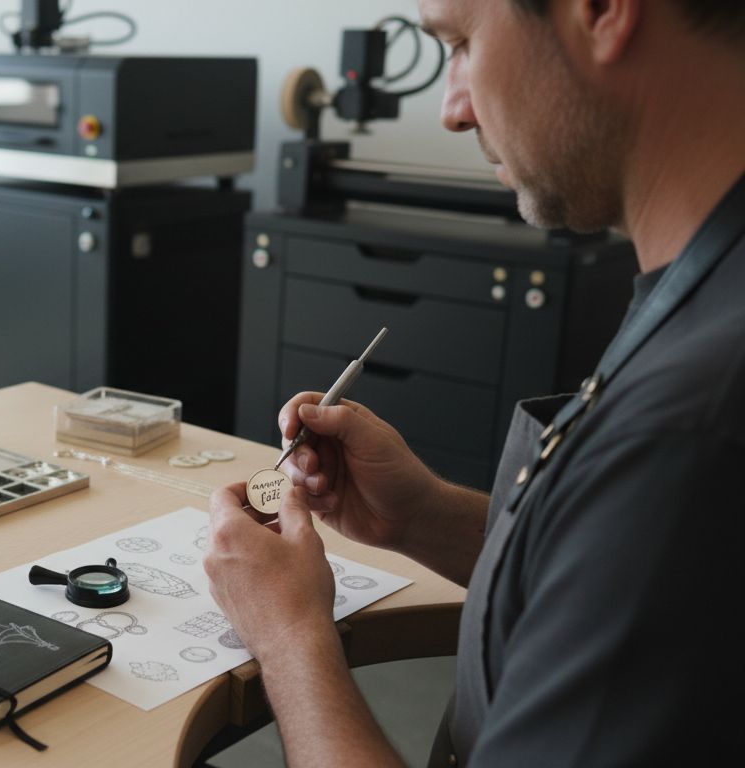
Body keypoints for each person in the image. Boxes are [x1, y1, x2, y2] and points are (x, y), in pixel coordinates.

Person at [205, 0, 745, 765]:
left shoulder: (689, 431)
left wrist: (288, 635)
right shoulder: (704, 294)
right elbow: (607, 574)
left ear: (599, 11)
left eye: (461, 43)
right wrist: (423, 517)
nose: (453, 110)